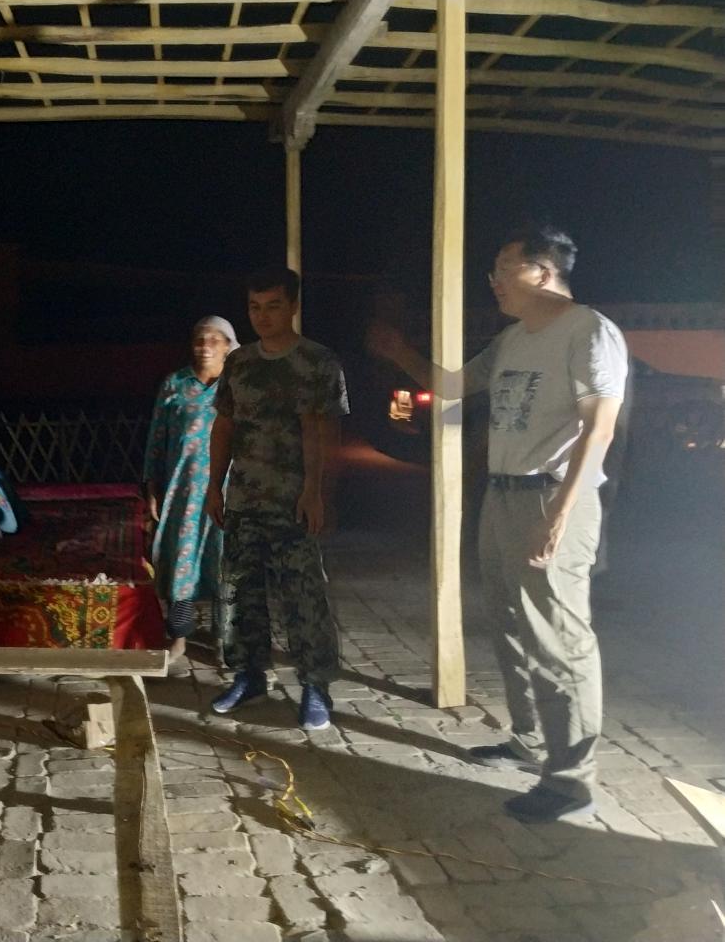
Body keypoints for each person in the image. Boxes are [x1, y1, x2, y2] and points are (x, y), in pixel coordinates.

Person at [367, 224, 627, 823]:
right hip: (504, 495)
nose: (493, 282)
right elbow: (453, 386)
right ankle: (528, 741)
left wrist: (559, 514)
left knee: (559, 638)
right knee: (510, 625)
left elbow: (600, 427)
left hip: (552, 497)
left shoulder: (589, 331)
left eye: (503, 270)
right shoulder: (513, 338)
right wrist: (399, 352)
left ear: (542, 272)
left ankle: (570, 783)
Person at [205, 266, 348, 731]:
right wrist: (214, 485)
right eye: (254, 307)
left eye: (273, 306)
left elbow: (324, 433)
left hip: (294, 501)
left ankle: (315, 686)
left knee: (303, 597)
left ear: (293, 306)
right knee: (240, 593)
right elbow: (224, 425)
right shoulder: (240, 363)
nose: (262, 316)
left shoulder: (317, 361)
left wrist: (317, 493)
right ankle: (249, 676)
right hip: (245, 497)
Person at [143, 316, 238, 662]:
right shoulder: (176, 384)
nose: (205, 346)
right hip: (183, 493)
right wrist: (152, 485)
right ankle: (180, 638)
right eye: (199, 339)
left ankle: (223, 640)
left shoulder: (239, 386)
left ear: (228, 346)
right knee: (181, 564)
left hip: (228, 492)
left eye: (214, 339)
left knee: (225, 563)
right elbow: (157, 437)